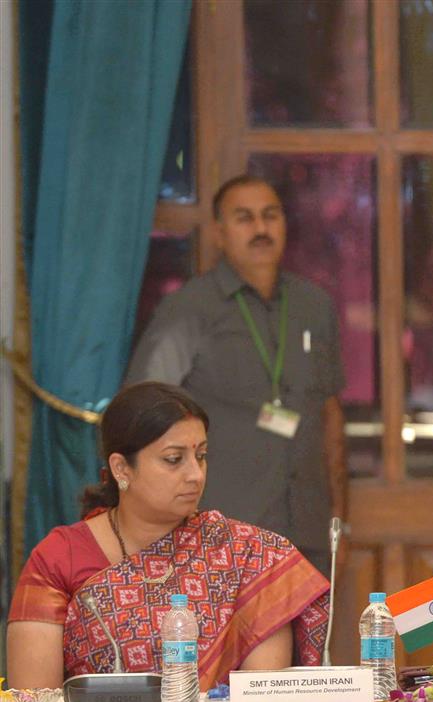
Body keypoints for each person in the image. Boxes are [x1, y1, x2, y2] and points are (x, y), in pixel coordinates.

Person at [7, 383, 330, 690]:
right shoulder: (58, 558)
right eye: (174, 459)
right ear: (121, 468)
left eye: (201, 455)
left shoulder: (252, 557)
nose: (195, 474)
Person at [124, 175, 347, 573]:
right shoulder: (188, 310)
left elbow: (329, 414)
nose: (261, 229)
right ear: (219, 233)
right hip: (222, 536)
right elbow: (142, 417)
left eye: (270, 216)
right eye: (245, 218)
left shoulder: (313, 305)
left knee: (314, 638)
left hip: (309, 534)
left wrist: (339, 522)